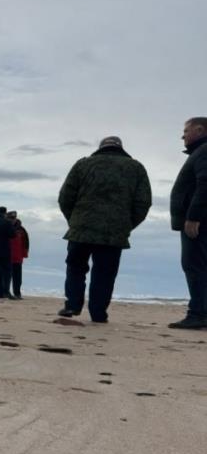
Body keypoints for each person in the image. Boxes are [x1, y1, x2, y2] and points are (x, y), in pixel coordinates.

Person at [57, 136, 151, 322]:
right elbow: (143, 203)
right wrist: (126, 225)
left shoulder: (83, 165)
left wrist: (74, 220)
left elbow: (65, 197)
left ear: (101, 147)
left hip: (81, 228)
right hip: (114, 232)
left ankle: (72, 305)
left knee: (75, 268)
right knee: (105, 274)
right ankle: (98, 312)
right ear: (121, 148)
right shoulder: (136, 168)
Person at [168, 118, 207, 329]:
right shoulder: (199, 152)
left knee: (194, 265)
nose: (183, 136)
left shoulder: (203, 151)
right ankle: (201, 312)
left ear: (200, 130)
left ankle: (198, 314)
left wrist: (193, 217)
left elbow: (205, 183)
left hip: (199, 221)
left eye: (186, 131)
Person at [7, 211, 29, 299]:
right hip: (7, 257)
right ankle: (5, 293)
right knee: (6, 277)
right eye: (10, 218)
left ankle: (17, 293)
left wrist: (24, 254)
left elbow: (26, 243)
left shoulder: (22, 230)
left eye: (13, 218)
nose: (12, 220)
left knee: (17, 278)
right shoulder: (5, 228)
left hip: (18, 257)